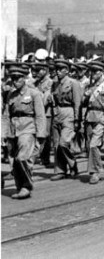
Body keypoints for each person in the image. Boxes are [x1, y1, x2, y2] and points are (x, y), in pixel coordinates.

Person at [6, 65, 46, 199]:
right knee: (14, 160)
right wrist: (3, 133)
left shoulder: (34, 93)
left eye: (17, 78)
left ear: (24, 78)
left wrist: (41, 133)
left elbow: (40, 115)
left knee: (22, 157)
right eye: (13, 78)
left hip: (28, 127)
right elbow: (6, 115)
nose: (15, 80)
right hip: (13, 128)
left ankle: (27, 186)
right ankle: (20, 186)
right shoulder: (11, 95)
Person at [50, 59, 83, 181]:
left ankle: (72, 163)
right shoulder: (54, 83)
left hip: (69, 113)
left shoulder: (73, 83)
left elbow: (77, 102)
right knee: (56, 145)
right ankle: (60, 170)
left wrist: (77, 119)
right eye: (56, 69)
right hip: (57, 113)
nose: (58, 72)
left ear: (67, 70)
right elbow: (53, 99)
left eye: (60, 69)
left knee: (63, 143)